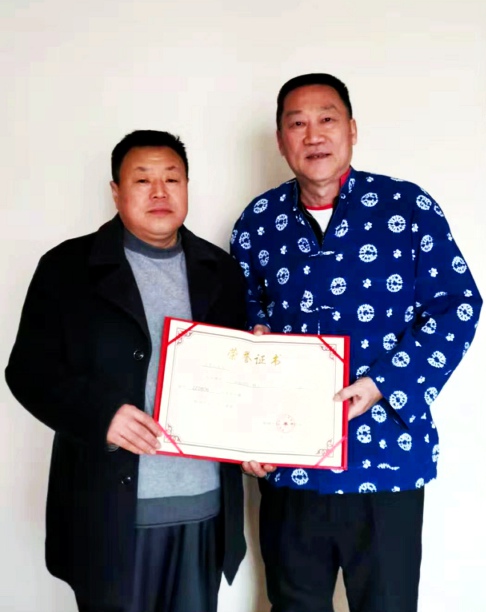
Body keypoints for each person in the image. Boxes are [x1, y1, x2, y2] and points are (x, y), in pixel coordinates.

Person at [230, 74, 482, 612]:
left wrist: (381, 383)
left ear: (352, 130)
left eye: (327, 119)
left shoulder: (407, 207)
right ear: (280, 140)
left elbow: (457, 305)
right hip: (290, 469)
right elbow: (242, 329)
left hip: (386, 460)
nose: (313, 134)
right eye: (297, 123)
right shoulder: (257, 224)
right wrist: (245, 434)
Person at [5, 130, 247, 612]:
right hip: (110, 515)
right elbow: (28, 372)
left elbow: (240, 382)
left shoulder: (220, 271)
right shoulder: (67, 268)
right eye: (142, 179)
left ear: (187, 187)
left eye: (172, 179)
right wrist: (102, 416)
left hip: (203, 509)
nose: (160, 192)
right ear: (115, 191)